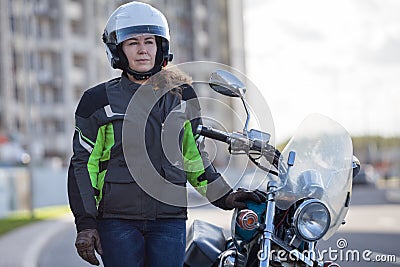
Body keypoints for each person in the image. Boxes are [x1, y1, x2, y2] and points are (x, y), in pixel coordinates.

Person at [67, 2, 263, 267]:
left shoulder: (182, 96)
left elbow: (194, 158)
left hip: (169, 221)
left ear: (161, 47)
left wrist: (225, 196)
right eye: (132, 42)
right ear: (118, 50)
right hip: (117, 220)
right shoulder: (97, 101)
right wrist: (86, 224)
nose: (142, 50)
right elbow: (83, 165)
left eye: (149, 41)